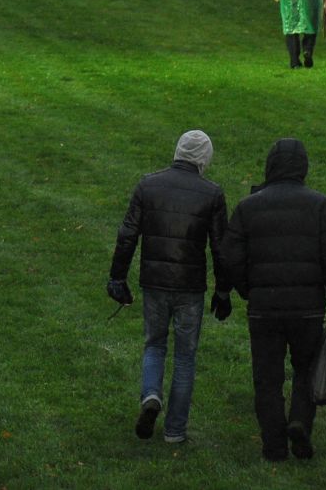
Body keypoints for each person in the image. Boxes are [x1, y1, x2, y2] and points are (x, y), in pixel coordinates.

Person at [223, 138, 326, 462]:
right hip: (307, 307)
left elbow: (230, 255)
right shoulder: (320, 205)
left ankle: (273, 446)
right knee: (307, 370)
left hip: (264, 307)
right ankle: (300, 421)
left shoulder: (249, 207)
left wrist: (247, 288)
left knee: (267, 377)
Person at [107, 129, 232, 446]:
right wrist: (223, 290)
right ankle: (175, 430)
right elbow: (221, 248)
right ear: (204, 159)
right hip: (190, 286)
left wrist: (117, 277)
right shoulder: (212, 194)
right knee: (185, 357)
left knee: (155, 345)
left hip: (155, 281)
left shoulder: (148, 185)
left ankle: (151, 395)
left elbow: (127, 235)